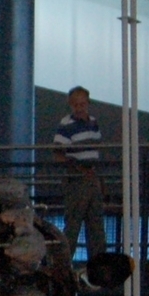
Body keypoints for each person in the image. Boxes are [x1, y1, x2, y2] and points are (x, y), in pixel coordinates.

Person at [52, 85, 109, 281]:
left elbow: (95, 153)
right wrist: (78, 168)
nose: (79, 107)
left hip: (92, 179)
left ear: (88, 103)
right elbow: (58, 153)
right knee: (74, 225)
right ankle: (64, 267)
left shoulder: (93, 123)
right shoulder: (66, 124)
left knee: (96, 225)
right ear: (70, 105)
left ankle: (99, 267)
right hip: (76, 181)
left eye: (82, 104)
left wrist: (98, 179)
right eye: (76, 104)